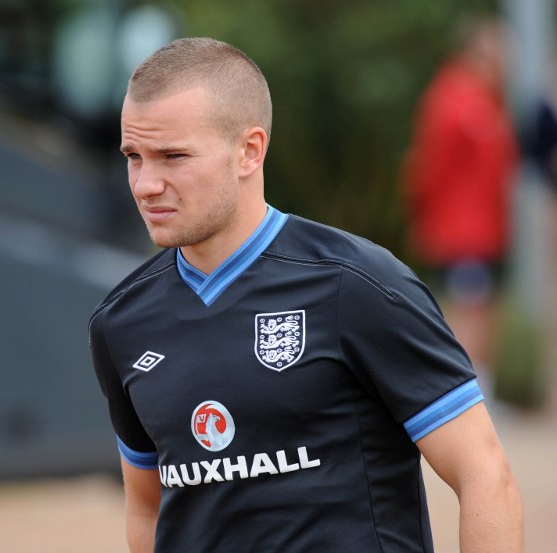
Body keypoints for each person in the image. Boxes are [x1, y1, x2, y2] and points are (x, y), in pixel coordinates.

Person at [89, 37, 523, 552]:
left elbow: (483, 473)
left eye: (172, 156)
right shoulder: (120, 322)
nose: (145, 184)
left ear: (249, 150)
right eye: (134, 157)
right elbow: (147, 506)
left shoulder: (358, 285)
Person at [402, 15, 519, 397]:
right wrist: (428, 220)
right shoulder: (455, 101)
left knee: (482, 310)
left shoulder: (486, 100)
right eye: (501, 51)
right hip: (461, 230)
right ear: (478, 53)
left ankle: (479, 389)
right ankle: (462, 395)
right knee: (468, 311)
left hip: (484, 229)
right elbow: (428, 168)